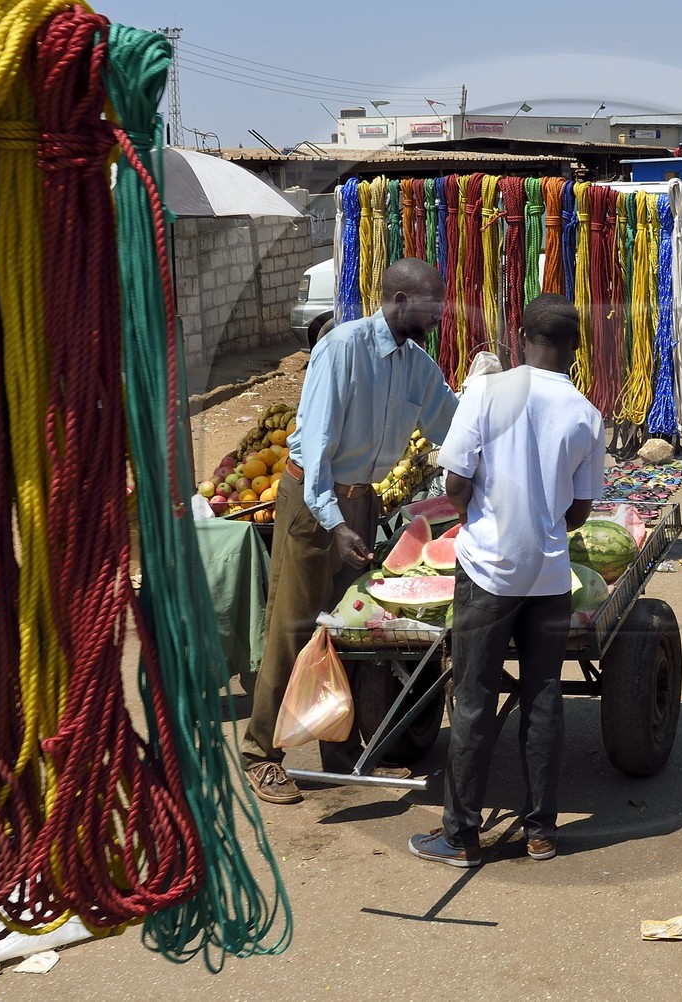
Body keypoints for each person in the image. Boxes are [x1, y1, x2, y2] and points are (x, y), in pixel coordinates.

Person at [242, 258, 458, 805]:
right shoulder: (341, 349)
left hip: (362, 502)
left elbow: (452, 424)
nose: (441, 312)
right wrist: (335, 524)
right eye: (433, 302)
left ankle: (344, 755)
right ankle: (260, 755)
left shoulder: (415, 364)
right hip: (312, 504)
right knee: (293, 628)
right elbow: (315, 451)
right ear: (401, 300)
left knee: (352, 632)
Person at [408, 294, 605, 867]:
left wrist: (480, 520)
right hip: (548, 574)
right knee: (544, 698)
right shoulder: (584, 413)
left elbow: (457, 483)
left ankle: (461, 836)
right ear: (575, 346)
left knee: (473, 698)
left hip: (488, 571)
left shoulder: (487, 392)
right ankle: (541, 831)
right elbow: (580, 514)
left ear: (519, 336)